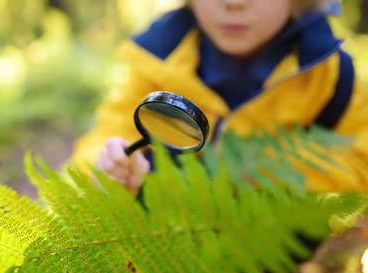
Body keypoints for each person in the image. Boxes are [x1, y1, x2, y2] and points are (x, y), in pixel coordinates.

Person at [70, 0, 368, 193]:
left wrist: (267, 173)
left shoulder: (333, 77)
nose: (234, 3)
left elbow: (360, 163)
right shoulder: (157, 58)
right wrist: (103, 167)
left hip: (270, 242)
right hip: (169, 233)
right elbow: (107, 132)